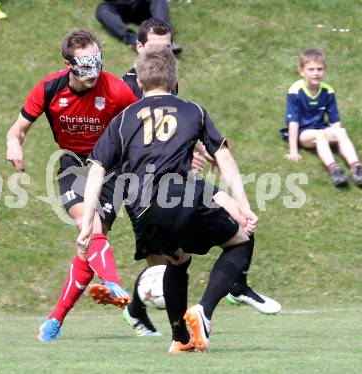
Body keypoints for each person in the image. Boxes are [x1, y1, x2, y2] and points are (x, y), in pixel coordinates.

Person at [78, 45, 271, 353]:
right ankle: (204, 312)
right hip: (179, 196)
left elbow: (97, 169)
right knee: (242, 239)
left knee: (177, 262)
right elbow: (222, 154)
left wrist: (88, 221)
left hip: (141, 210)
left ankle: (180, 339)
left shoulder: (124, 118)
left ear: (139, 81)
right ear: (175, 80)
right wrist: (243, 205)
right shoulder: (192, 110)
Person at [121, 18, 280, 338]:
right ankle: (139, 308)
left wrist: (196, 145)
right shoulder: (128, 87)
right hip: (141, 188)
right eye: (155, 48)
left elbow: (171, 121)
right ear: (139, 49)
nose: (164, 54)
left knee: (239, 217)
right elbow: (128, 137)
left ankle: (233, 288)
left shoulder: (168, 79)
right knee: (162, 270)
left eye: (168, 48)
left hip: (178, 182)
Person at [6, 28, 139, 342]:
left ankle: (54, 320)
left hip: (109, 169)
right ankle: (114, 285)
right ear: (68, 64)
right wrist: (15, 144)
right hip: (72, 165)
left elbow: (146, 120)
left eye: (96, 64)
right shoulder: (49, 88)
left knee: (89, 248)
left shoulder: (116, 89)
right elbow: (18, 129)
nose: (92, 76)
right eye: (84, 68)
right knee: (88, 226)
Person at [282, 47, 362, 187]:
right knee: (319, 135)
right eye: (311, 69)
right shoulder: (295, 91)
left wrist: (337, 138)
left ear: (324, 71)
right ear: (302, 71)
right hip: (304, 133)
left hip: (321, 128)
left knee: (341, 131)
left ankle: (356, 167)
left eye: (319, 69)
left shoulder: (328, 91)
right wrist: (293, 150)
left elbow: (334, 120)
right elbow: (293, 122)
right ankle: (334, 170)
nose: (316, 73)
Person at [96, 0, 182, 54]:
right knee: (102, 9)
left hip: (141, 5)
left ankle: (162, 38)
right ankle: (135, 40)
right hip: (119, 4)